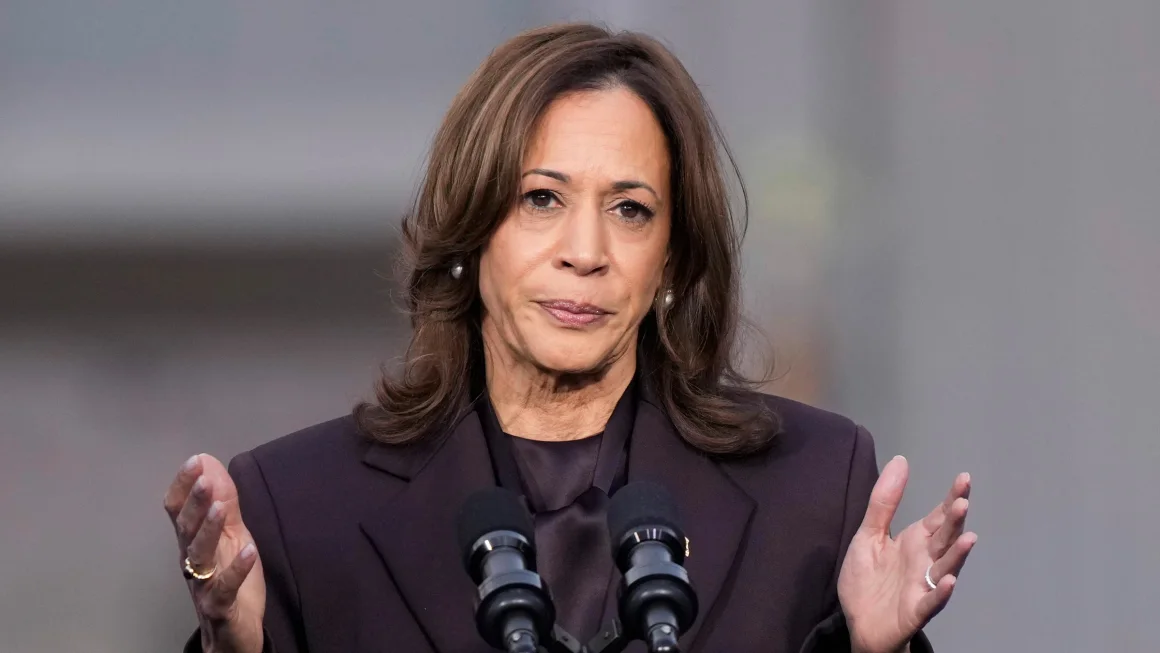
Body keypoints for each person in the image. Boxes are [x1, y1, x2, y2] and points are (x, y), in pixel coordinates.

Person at [162, 23, 975, 653]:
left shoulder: (812, 490)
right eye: (542, 199)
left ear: (671, 256)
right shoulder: (303, 507)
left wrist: (876, 649)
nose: (585, 252)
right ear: (472, 229)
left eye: (630, 210)